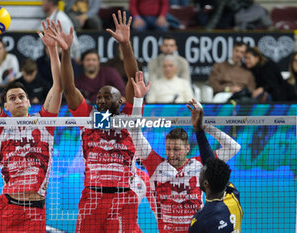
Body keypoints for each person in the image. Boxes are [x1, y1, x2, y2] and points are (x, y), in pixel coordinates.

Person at [0, 19, 63, 232]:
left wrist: (53, 50)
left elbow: (59, 87)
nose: (17, 100)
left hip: (34, 212)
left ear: (28, 101)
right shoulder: (1, 124)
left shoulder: (45, 122)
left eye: (21, 97)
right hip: (5, 205)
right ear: (6, 105)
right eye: (12, 98)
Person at [46, 11, 141, 232]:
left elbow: (133, 77)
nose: (101, 99)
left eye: (107, 96)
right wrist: (66, 51)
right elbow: (69, 88)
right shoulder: (88, 118)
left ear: (121, 101)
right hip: (92, 198)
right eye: (98, 96)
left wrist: (126, 45)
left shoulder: (129, 115)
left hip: (123, 198)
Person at [129, 78, 241, 233]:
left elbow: (234, 147)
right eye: (168, 149)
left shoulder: (200, 164)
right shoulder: (155, 164)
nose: (171, 153)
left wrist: (203, 125)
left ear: (187, 148)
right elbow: (134, 131)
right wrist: (138, 99)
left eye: (176, 149)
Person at [188, 157, 243, 232]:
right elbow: (219, 173)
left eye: (200, 174)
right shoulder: (233, 196)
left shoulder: (200, 220)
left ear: (205, 183)